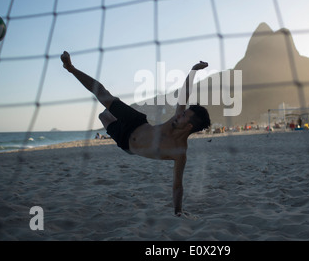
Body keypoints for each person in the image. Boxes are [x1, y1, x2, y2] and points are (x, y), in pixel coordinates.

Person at [60, 51, 211, 216]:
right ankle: (71, 68)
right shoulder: (177, 119)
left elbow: (177, 185)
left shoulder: (179, 152)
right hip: (137, 122)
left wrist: (178, 211)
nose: (179, 113)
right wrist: (194, 70)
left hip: (127, 143)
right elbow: (185, 93)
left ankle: (108, 111)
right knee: (103, 93)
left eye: (183, 115)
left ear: (188, 126)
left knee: (103, 116)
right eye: (182, 112)